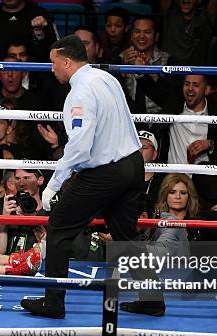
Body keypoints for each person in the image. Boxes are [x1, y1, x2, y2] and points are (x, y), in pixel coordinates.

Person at [20, 35, 144, 319]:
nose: (51, 70)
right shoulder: (106, 78)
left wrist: (53, 183)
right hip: (132, 163)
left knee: (59, 228)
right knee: (125, 235)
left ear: (66, 61)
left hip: (105, 171)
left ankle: (53, 301)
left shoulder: (79, 93)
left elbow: (79, 146)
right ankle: (152, 298)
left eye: (53, 63)